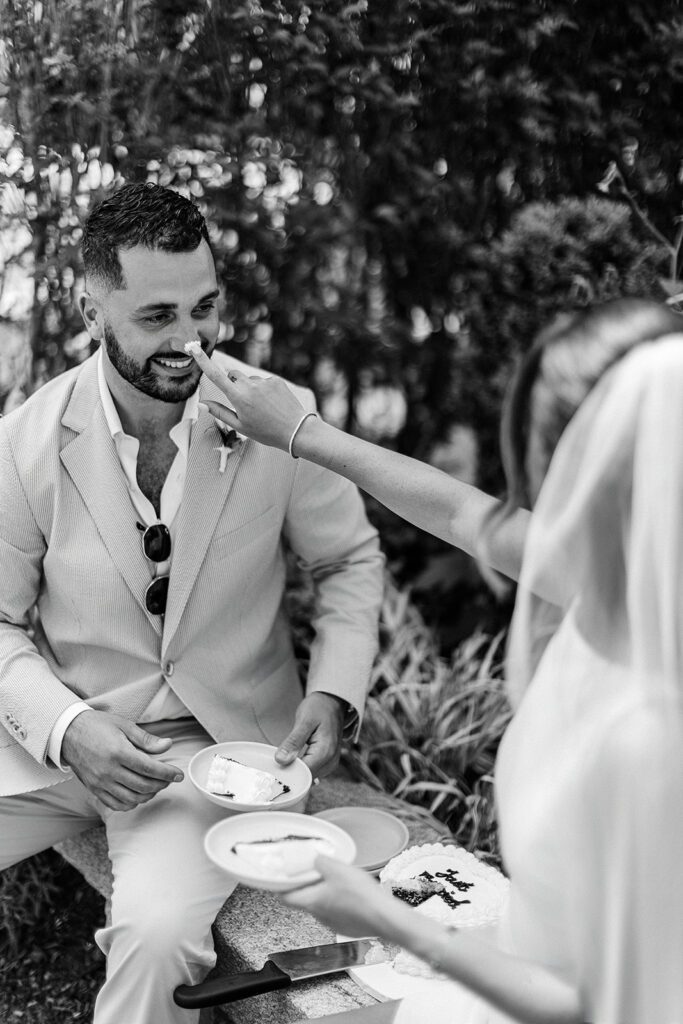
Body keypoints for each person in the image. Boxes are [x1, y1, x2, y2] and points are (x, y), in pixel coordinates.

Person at [186, 300, 683, 1024]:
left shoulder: (649, 740)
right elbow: (455, 513)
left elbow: (596, 1007)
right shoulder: (610, 568)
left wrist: (387, 918)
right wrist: (299, 433)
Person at [0, 182, 385, 1024]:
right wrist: (69, 729)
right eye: (156, 316)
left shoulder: (277, 418)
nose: (190, 340)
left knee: (158, 936)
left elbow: (350, 560)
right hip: (61, 733)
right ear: (89, 307)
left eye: (204, 308)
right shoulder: (24, 440)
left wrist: (333, 691)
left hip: (217, 762)